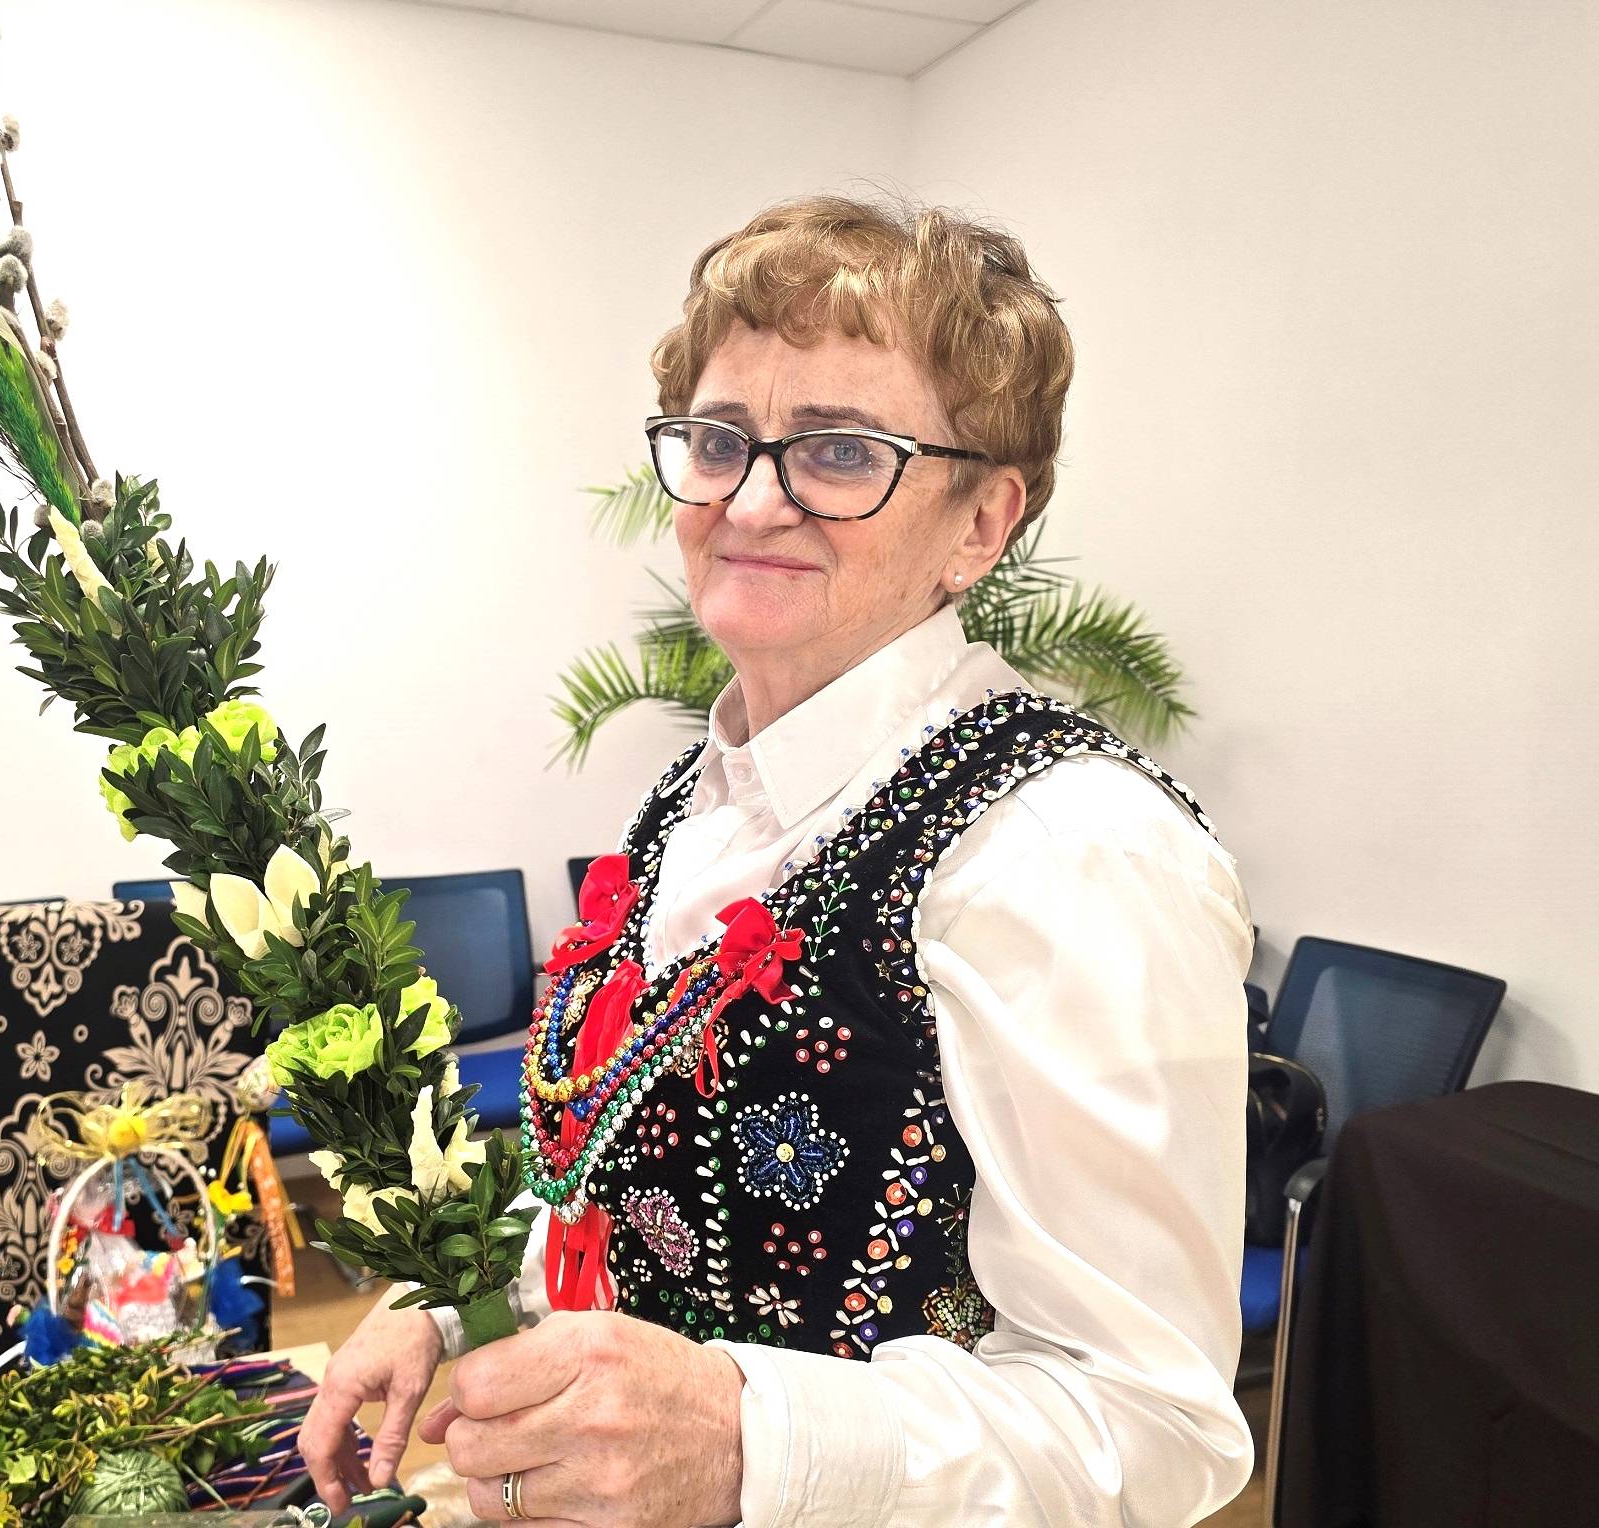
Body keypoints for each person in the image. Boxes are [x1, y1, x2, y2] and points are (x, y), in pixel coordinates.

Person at [300, 194, 1254, 1527]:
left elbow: (1151, 1423)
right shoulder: (696, 795)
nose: (751, 500)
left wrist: (749, 1438)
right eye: (718, 441)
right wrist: (452, 1305)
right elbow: (624, 1159)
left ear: (981, 523)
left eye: (843, 452)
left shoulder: (1070, 852)